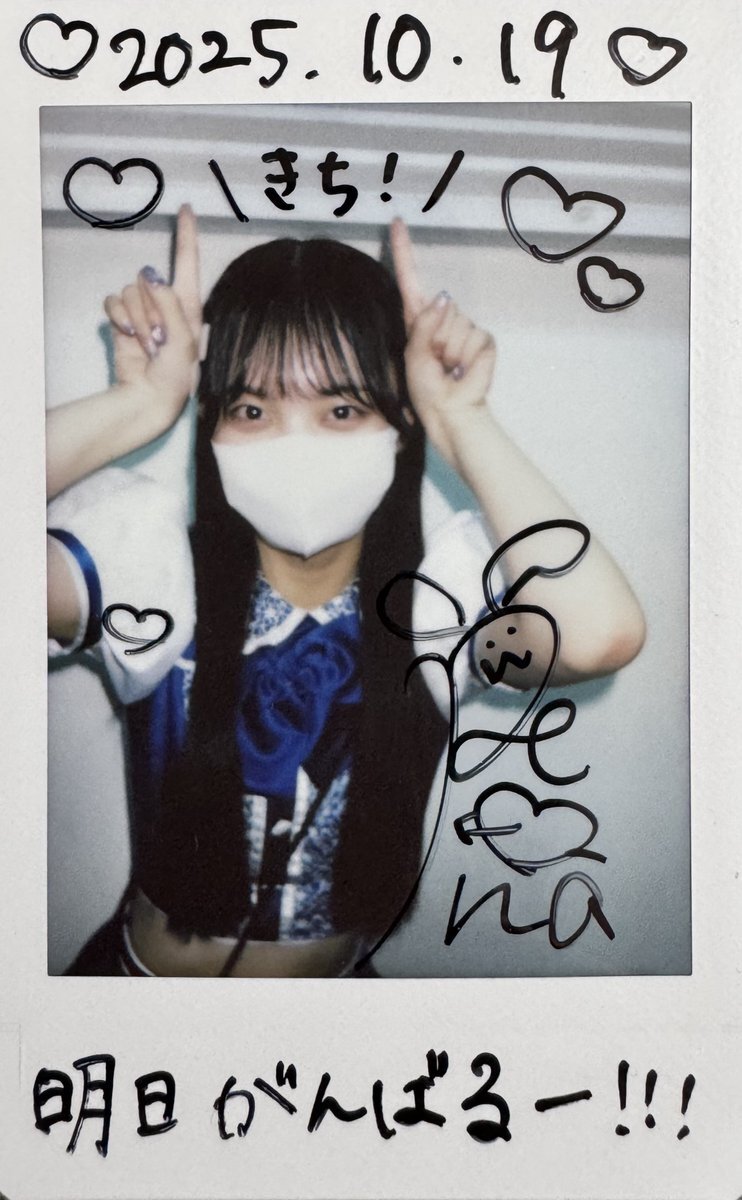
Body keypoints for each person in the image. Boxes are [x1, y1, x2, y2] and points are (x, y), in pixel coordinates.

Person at [46, 206, 645, 977]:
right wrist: (136, 406)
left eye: (341, 408)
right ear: (211, 426)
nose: (296, 443)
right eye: (252, 409)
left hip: (340, 1023)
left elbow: (598, 634)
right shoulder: (151, 573)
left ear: (398, 426)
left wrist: (462, 420)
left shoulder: (438, 606)